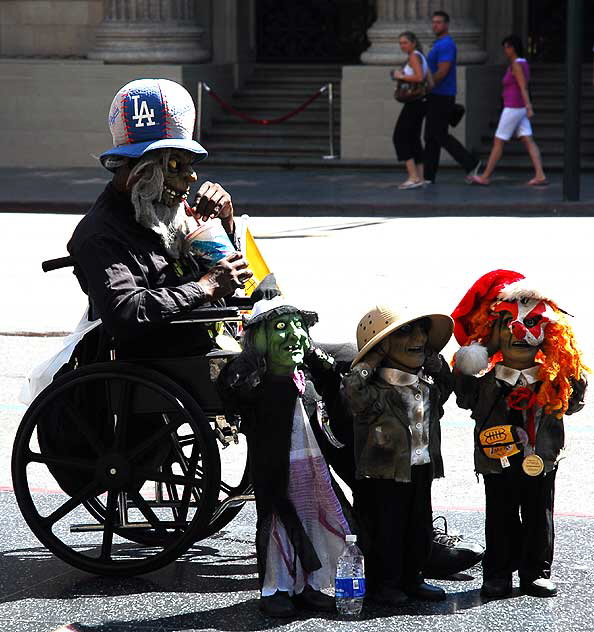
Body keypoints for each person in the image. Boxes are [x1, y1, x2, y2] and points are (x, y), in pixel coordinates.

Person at [67, 78, 252, 361]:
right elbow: (125, 311)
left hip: (214, 345)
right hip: (173, 365)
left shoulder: (166, 213)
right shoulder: (98, 233)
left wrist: (225, 224)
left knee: (338, 360)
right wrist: (204, 287)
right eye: (175, 165)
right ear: (138, 172)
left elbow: (237, 285)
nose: (191, 177)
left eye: (190, 165)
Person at [451, 270, 588, 599]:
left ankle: (535, 571)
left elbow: (572, 405)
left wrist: (570, 371)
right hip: (496, 459)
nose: (518, 332)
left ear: (550, 333)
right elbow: (464, 397)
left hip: (542, 457)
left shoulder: (553, 380)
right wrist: (468, 363)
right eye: (507, 323)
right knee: (499, 514)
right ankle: (498, 572)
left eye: (531, 323)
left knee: (540, 513)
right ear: (492, 333)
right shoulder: (487, 381)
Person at [217, 295, 351, 618]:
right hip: (276, 473)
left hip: (311, 468)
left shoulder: (304, 378)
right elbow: (231, 390)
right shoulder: (255, 385)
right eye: (281, 327)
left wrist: (318, 357)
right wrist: (250, 364)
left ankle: (309, 585)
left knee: (312, 521)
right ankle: (274, 588)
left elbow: (334, 381)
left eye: (298, 327)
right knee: (277, 527)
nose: (293, 335)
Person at [342, 304, 454, 606]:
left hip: (419, 468)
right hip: (383, 474)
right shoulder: (374, 392)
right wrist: (371, 360)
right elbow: (350, 390)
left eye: (422, 331)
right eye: (405, 331)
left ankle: (413, 577)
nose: (417, 337)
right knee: (385, 530)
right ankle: (384, 583)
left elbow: (448, 383)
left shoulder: (426, 388)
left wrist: (433, 360)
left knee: (418, 526)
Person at [470, 36, 547, 186]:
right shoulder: (523, 63)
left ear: (512, 48)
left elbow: (523, 86)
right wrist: (527, 107)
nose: (505, 51)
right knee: (528, 140)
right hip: (519, 108)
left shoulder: (516, 65)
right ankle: (540, 174)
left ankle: (485, 176)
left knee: (498, 141)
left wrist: (529, 106)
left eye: (506, 47)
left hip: (513, 107)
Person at [424, 10, 481, 184]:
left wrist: (427, 86)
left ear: (446, 25)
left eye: (439, 22)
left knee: (439, 135)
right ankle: (428, 176)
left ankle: (471, 163)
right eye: (433, 22)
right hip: (435, 95)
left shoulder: (446, 44)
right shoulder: (438, 44)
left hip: (442, 95)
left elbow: (443, 71)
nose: (435, 25)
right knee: (430, 136)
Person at [391, 31, 432, 189]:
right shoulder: (422, 56)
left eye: (405, 42)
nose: (402, 46)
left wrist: (399, 76)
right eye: (400, 43)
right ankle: (420, 177)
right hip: (422, 102)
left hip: (414, 103)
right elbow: (430, 83)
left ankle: (413, 176)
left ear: (414, 43)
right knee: (414, 138)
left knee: (400, 136)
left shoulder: (414, 56)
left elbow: (419, 77)